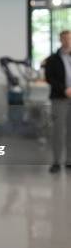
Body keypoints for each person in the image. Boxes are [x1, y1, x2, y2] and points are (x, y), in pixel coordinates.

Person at [44, 30, 71, 173]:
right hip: (59, 99)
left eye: (69, 39)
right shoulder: (52, 59)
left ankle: (69, 161)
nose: (67, 41)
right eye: (65, 39)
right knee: (58, 131)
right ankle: (56, 162)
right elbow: (49, 78)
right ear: (60, 40)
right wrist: (64, 90)